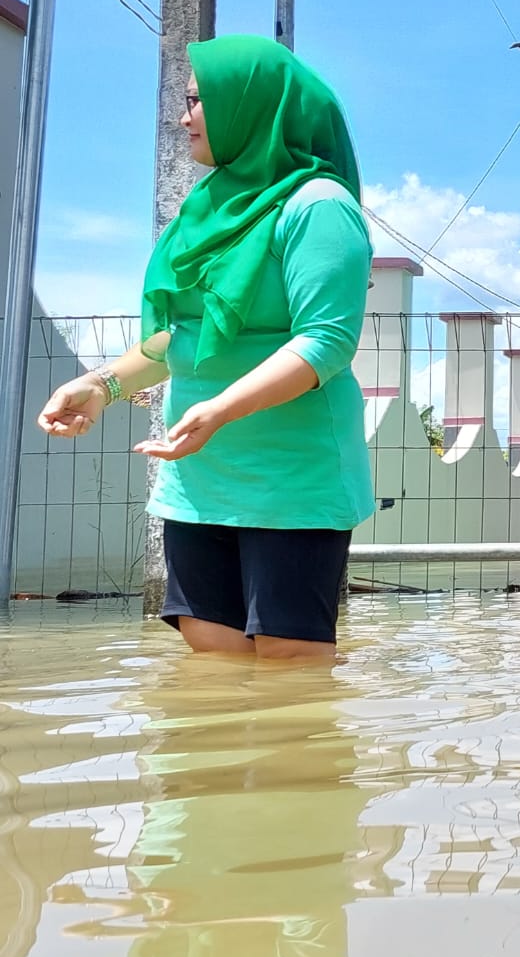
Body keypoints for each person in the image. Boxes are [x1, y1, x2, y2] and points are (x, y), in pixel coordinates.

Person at [37, 34, 374, 661]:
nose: (183, 115)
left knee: (289, 661)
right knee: (209, 655)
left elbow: (326, 342)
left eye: (199, 100)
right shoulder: (208, 207)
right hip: (199, 478)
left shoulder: (319, 208)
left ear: (252, 107)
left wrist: (222, 409)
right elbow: (192, 332)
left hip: (291, 480)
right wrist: (103, 385)